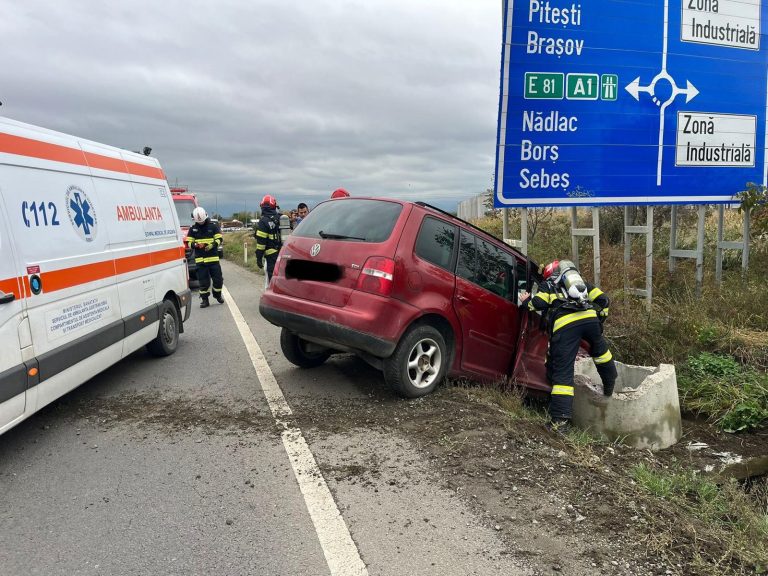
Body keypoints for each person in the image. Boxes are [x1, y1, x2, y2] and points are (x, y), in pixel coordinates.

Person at [526, 259, 617, 434]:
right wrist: (600, 318)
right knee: (602, 355)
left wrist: (526, 301)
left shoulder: (548, 285)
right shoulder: (583, 285)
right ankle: (609, 385)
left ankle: (560, 422)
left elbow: (538, 304)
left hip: (566, 326)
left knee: (563, 372)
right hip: (590, 320)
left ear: (549, 275)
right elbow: (604, 300)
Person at [187, 207, 224, 308]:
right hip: (200, 260)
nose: (201, 223)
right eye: (199, 221)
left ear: (206, 217)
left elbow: (219, 239)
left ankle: (217, 295)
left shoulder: (213, 227)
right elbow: (189, 242)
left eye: (202, 221)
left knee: (218, 280)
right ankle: (205, 300)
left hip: (213, 259)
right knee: (203, 282)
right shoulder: (193, 229)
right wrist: (195, 245)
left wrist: (212, 245)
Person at [254, 194, 282, 282]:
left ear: (262, 207)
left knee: (273, 280)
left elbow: (261, 244)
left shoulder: (263, 221)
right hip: (283, 253)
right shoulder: (281, 218)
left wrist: (259, 258)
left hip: (271, 257)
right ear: (274, 206)